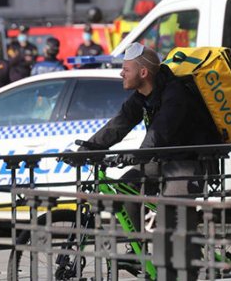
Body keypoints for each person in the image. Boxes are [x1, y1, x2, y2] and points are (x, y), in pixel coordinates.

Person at [79, 43, 221, 255]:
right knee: (126, 191)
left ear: (143, 72)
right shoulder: (142, 96)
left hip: (189, 162)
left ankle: (189, 263)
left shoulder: (176, 94)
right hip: (163, 160)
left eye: (126, 70)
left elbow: (159, 132)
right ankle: (139, 251)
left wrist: (135, 155)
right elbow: (120, 123)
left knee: (170, 214)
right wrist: (87, 149)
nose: (121, 73)